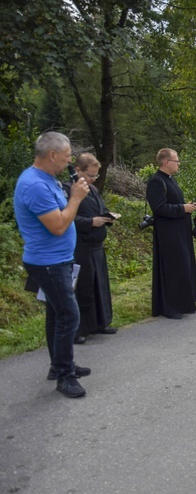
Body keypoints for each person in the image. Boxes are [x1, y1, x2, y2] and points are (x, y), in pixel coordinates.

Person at [14, 131, 91, 397]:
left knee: (56, 313)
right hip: (47, 263)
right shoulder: (34, 184)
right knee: (69, 314)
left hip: (59, 259)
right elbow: (58, 225)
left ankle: (59, 364)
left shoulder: (48, 179)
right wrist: (76, 199)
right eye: (68, 156)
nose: (70, 162)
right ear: (52, 155)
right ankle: (64, 376)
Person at [63, 153, 119, 344]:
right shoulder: (68, 189)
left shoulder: (93, 190)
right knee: (83, 288)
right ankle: (80, 329)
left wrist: (107, 217)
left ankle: (100, 323)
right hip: (81, 246)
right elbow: (66, 218)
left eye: (95, 176)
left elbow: (98, 210)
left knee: (100, 286)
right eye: (90, 176)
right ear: (77, 170)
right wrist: (90, 222)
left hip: (97, 246)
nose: (93, 180)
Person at [146, 148, 196, 319]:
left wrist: (187, 207)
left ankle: (183, 303)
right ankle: (171, 307)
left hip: (179, 231)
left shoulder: (171, 180)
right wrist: (182, 208)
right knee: (172, 268)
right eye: (176, 161)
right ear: (166, 162)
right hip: (168, 234)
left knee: (183, 266)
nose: (178, 164)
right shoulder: (156, 181)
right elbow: (159, 208)